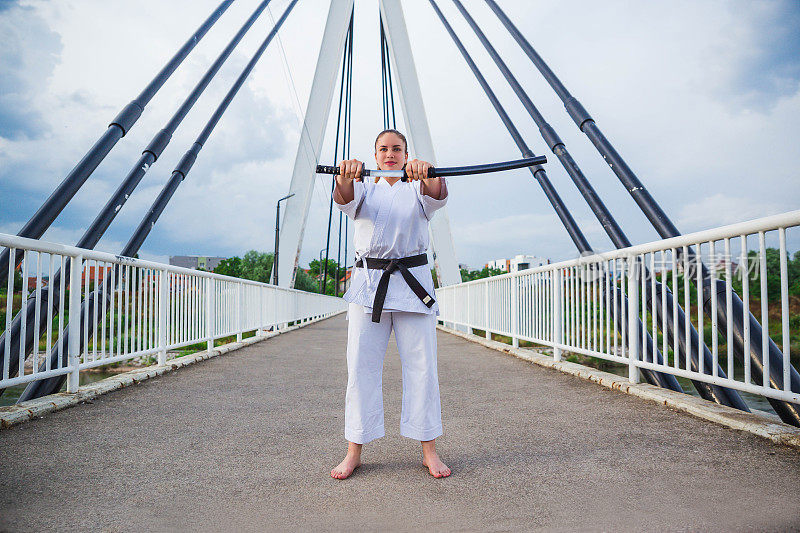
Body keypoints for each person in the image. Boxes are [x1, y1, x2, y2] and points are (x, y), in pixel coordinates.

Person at [330, 129, 451, 480]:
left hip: (412, 285)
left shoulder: (417, 185)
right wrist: (345, 176)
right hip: (370, 285)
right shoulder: (363, 186)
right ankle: (354, 449)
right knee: (360, 366)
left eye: (397, 149)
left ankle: (429, 450)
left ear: (405, 153)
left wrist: (429, 173)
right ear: (375, 154)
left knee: (422, 366)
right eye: (383, 149)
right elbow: (344, 198)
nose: (390, 154)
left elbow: (437, 194)